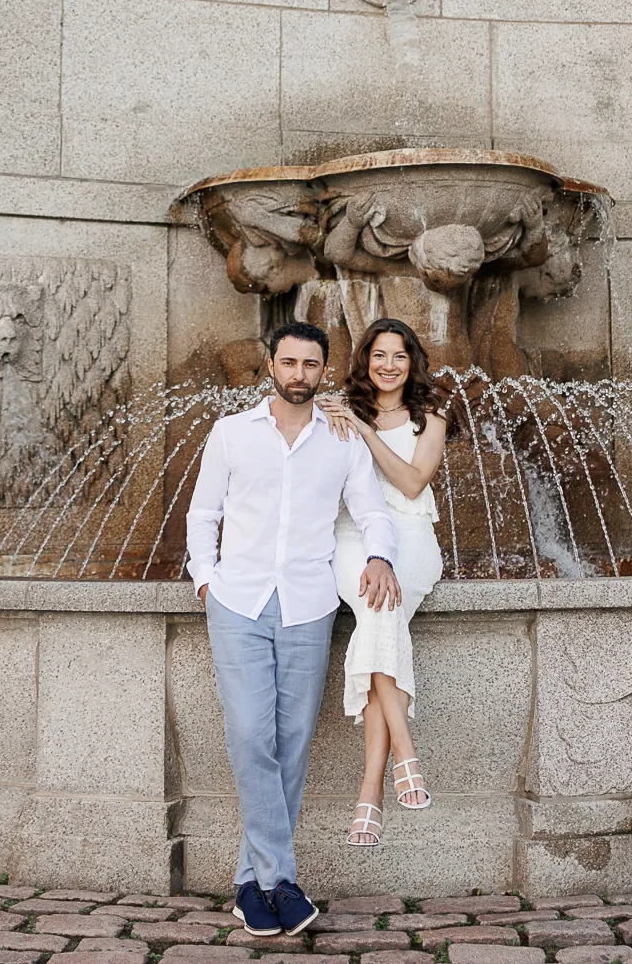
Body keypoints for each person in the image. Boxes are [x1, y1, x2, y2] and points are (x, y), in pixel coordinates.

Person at [186, 321, 402, 938]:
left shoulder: (342, 440)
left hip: (308, 604)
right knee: (251, 735)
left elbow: (373, 512)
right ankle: (281, 880)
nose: (299, 374)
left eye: (310, 365)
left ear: (323, 370)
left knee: (292, 742)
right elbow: (203, 514)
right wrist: (206, 580)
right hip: (237, 601)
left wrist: (380, 558)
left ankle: (250, 886)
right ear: (271, 366)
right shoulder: (231, 433)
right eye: (289, 363)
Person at [319, 317, 450, 849]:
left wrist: (366, 429)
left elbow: (413, 482)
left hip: (412, 534)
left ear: (412, 361)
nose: (388, 365)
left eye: (399, 355)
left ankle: (370, 791)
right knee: (378, 608)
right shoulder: (337, 410)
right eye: (379, 355)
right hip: (353, 534)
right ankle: (405, 753)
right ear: (365, 360)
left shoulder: (431, 419)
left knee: (378, 616)